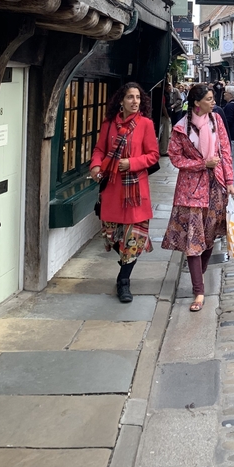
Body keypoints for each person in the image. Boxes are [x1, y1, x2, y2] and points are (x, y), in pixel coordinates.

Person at [163, 83, 234, 312]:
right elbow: (175, 157)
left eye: (213, 99)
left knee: (210, 235)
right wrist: (202, 164)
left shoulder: (216, 120)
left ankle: (199, 273)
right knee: (193, 239)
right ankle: (199, 290)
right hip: (191, 190)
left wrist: (230, 181)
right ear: (197, 103)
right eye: (209, 99)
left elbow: (225, 152)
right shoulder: (181, 128)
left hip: (216, 186)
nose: (213, 102)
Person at [91, 83, 160, 303]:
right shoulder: (109, 124)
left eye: (138, 97)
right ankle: (125, 262)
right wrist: (95, 166)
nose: (135, 101)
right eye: (130, 97)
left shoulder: (146, 124)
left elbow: (153, 155)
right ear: (121, 100)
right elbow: (99, 149)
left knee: (134, 240)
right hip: (112, 190)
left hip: (135, 193)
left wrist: (131, 163)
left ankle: (123, 281)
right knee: (113, 237)